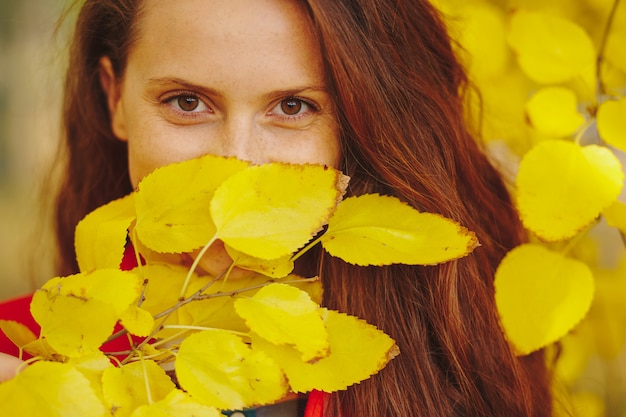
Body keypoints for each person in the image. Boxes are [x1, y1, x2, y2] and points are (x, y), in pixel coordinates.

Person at [0, 0, 554, 415]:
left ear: (365, 125)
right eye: (187, 103)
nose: (237, 167)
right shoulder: (21, 361)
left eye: (294, 106)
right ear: (114, 96)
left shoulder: (457, 365)